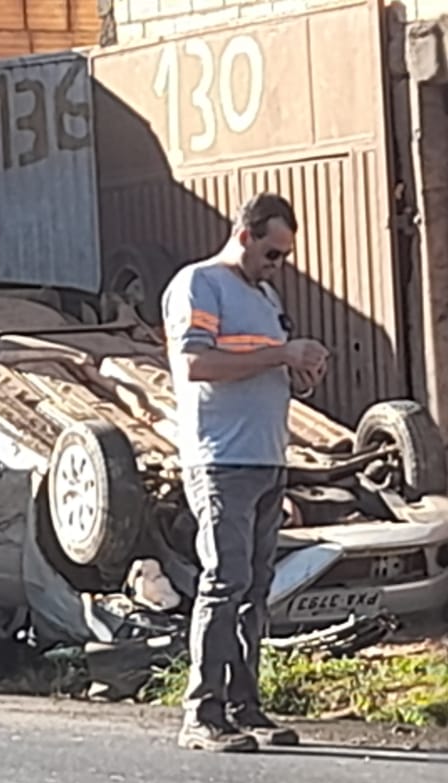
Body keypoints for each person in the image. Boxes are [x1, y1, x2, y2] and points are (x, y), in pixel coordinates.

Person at [162, 193, 330, 753]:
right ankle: (202, 713)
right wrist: (281, 356)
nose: (276, 264)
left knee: (255, 588)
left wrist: (298, 370)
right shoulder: (199, 285)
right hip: (220, 458)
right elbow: (196, 363)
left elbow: (267, 364)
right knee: (224, 581)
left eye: (283, 256)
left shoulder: (265, 294)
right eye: (272, 252)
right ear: (245, 234)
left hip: (266, 457)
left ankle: (244, 706)